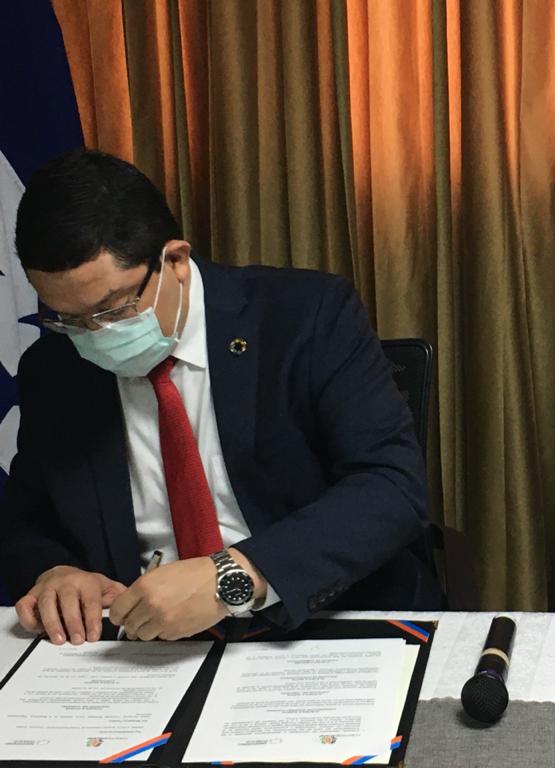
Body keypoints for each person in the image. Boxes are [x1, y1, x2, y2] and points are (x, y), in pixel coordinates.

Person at [0, 148, 443, 644]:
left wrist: (235, 576)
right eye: (68, 319)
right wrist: (54, 571)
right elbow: (27, 519)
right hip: (142, 647)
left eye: (113, 310)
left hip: (321, 625)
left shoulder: (307, 317)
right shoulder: (54, 368)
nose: (94, 335)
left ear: (175, 261)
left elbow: (391, 487)